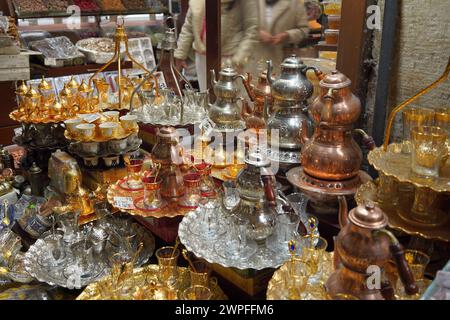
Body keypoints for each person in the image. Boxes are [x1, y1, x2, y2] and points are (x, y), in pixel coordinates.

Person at [174, 0, 259, 91]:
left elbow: (252, 29)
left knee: (231, 100)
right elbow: (189, 26)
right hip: (203, 58)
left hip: (230, 59)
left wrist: (238, 60)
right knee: (206, 96)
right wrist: (180, 55)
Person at [248, 0, 311, 76]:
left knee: (276, 86)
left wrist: (288, 35)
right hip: (253, 61)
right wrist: (257, 33)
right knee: (251, 86)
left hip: (282, 62)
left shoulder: (295, 4)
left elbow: (304, 30)